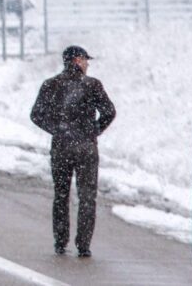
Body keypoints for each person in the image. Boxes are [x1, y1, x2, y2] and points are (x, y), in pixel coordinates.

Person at [30, 44, 115, 258]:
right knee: (87, 197)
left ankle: (60, 241)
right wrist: (94, 130)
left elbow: (36, 115)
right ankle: (83, 244)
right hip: (86, 147)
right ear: (77, 60)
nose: (87, 64)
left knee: (61, 195)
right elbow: (109, 112)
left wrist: (57, 130)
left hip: (61, 147)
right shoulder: (92, 85)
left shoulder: (51, 85)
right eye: (86, 60)